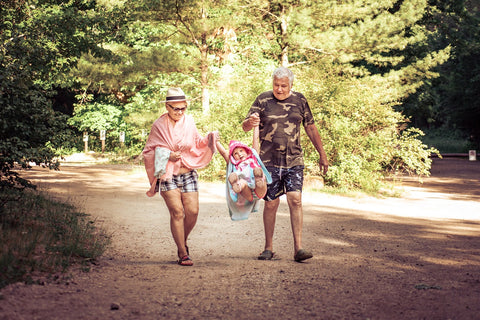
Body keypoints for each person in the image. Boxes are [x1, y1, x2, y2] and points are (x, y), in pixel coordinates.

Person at [242, 66, 329, 262]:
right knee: (271, 203)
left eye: (283, 86)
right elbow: (246, 126)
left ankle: (298, 248)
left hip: (294, 159)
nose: (279, 89)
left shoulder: (300, 100)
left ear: (291, 85)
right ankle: (268, 248)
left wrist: (322, 154)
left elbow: (311, 127)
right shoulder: (262, 99)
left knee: (295, 199)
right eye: (276, 85)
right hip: (268, 161)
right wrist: (250, 121)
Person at [143, 87, 218, 266]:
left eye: (183, 108)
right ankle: (183, 252)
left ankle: (181, 240)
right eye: (175, 108)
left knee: (192, 212)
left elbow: (197, 142)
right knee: (177, 212)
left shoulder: (189, 121)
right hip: (168, 174)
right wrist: (166, 155)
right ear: (167, 107)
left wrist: (210, 137)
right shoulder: (158, 125)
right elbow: (148, 151)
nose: (179, 112)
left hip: (188, 172)